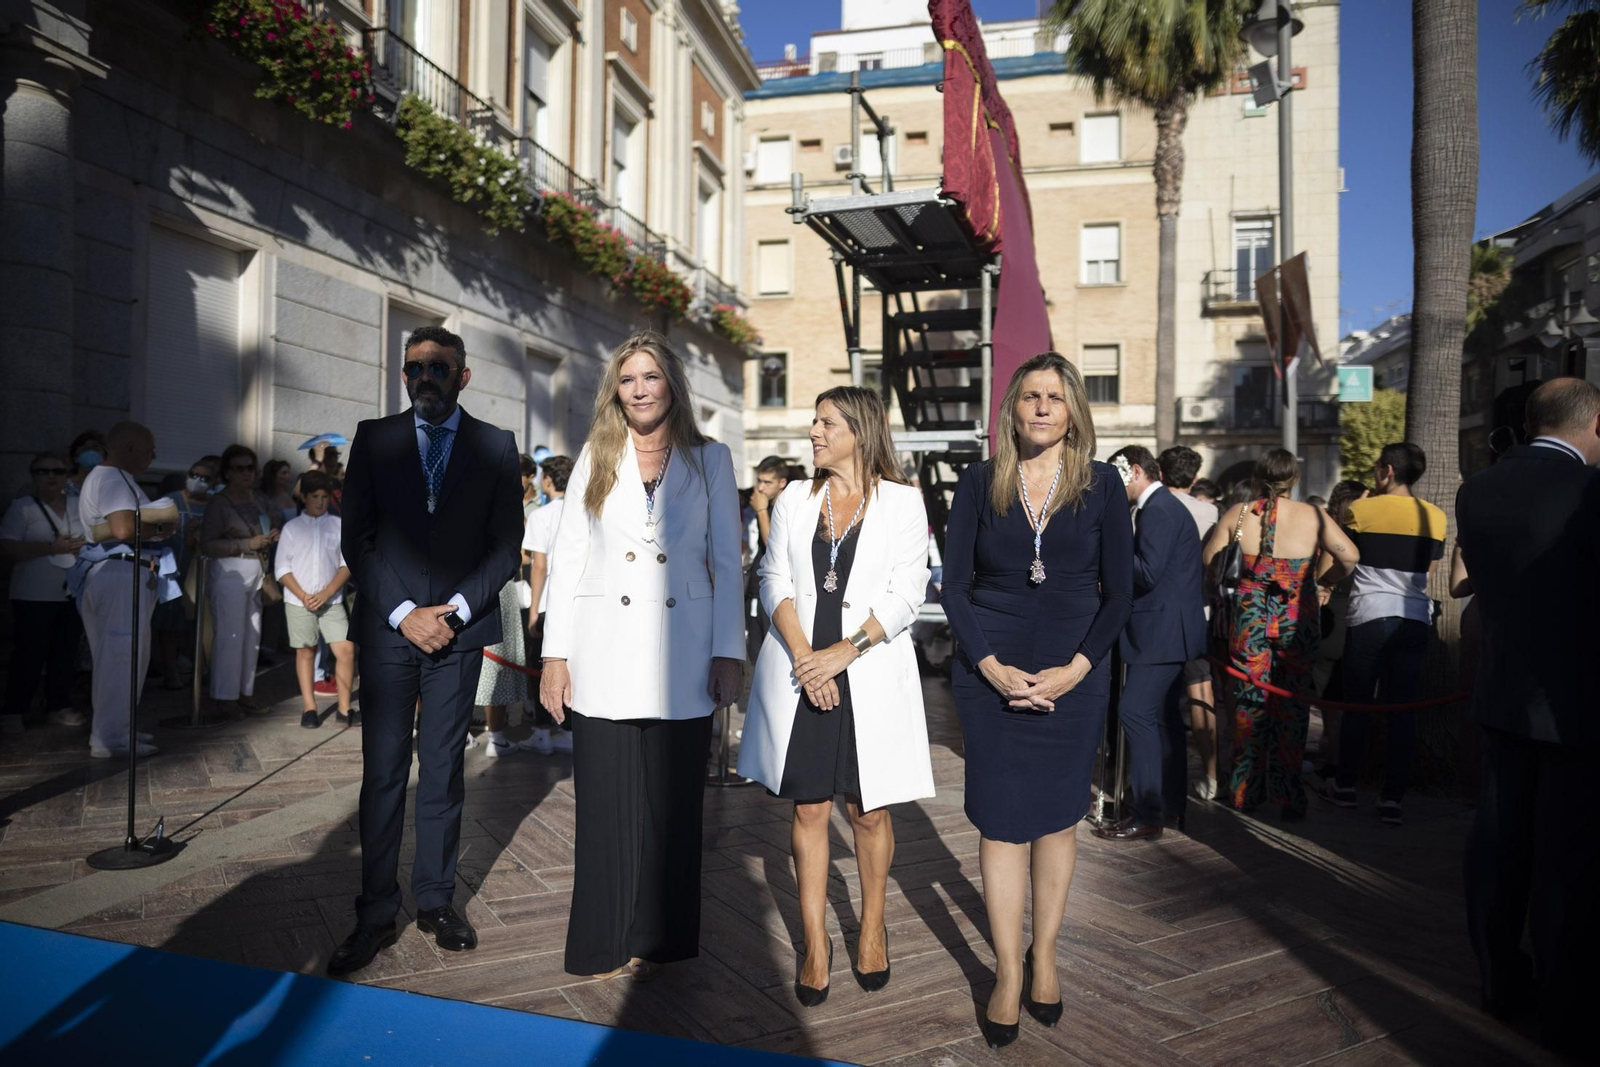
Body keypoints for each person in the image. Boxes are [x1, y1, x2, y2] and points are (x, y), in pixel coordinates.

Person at [939, 353, 1132, 1048]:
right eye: (1030, 396)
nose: (1043, 407)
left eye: (1055, 396)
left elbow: (1119, 592)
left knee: (1055, 819)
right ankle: (1007, 973)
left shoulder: (1104, 485)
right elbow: (953, 587)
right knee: (999, 822)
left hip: (1074, 677)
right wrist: (989, 666)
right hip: (991, 673)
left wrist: (1077, 669)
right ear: (1012, 409)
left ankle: (1043, 953)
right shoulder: (977, 482)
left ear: (1074, 410)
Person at [540, 330, 744, 981]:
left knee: (675, 807)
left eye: (651, 377)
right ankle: (601, 939)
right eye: (628, 379)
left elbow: (726, 564)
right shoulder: (593, 456)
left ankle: (664, 938)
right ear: (615, 391)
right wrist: (554, 655)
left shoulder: (710, 459)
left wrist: (728, 651)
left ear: (670, 385)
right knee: (605, 804)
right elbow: (569, 558)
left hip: (684, 653)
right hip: (602, 653)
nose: (640, 388)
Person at [329, 324, 521, 977]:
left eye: (440, 367)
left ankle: (436, 900)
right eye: (415, 368)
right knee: (382, 772)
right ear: (404, 375)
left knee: (442, 768)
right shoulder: (373, 439)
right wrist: (407, 614)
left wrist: (459, 609)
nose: (426, 377)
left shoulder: (496, 446)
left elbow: (505, 546)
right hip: (389, 631)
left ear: (462, 375)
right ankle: (375, 911)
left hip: (460, 632)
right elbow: (358, 539)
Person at [739, 387, 934, 1008]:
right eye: (814, 420)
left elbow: (909, 590)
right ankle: (815, 941)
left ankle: (872, 925)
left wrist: (844, 652)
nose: (814, 431)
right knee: (809, 810)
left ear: (860, 429)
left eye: (826, 422)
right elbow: (772, 576)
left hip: (865, 666)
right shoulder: (796, 497)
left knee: (870, 812)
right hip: (802, 671)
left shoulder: (903, 502)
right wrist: (806, 657)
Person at [1456, 378, 1600, 1053]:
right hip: (1576, 705)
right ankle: (1564, 1004)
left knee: (1497, 844)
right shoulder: (1588, 492)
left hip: (1500, 695)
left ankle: (1499, 980)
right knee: (1563, 861)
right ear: (1593, 424)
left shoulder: (1478, 489)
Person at [1203, 450, 1358, 819]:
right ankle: (1288, 795)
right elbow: (1349, 556)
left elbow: (1210, 561)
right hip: (1296, 618)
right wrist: (1321, 582)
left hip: (1250, 618)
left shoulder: (1238, 514)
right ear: (1294, 479)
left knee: (1248, 702)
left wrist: (1242, 581)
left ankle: (1245, 792)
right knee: (1292, 705)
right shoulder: (1314, 515)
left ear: (1259, 478)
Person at [1330, 443, 1446, 826]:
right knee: (1402, 709)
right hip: (1414, 617)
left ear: (1389, 471)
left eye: (1378, 466)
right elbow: (1427, 570)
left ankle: (1346, 786)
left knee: (1358, 705)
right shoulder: (1436, 517)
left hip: (1370, 614)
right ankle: (1392, 798)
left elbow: (1343, 558)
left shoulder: (1360, 511)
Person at [1096, 445, 1207, 840]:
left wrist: (1113, 544)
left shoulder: (1157, 509)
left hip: (1160, 632)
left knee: (1135, 713)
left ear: (1137, 471)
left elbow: (1147, 572)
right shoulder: (1164, 507)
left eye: (1117, 477)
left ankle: (1146, 812)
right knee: (1162, 721)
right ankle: (1169, 805)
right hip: (1167, 631)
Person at [73, 422, 177, 759]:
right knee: (120, 655)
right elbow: (123, 528)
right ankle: (108, 738)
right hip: (119, 572)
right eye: (150, 449)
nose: (154, 456)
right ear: (130, 448)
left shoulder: (115, 478)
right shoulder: (111, 477)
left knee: (126, 656)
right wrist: (163, 525)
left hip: (123, 572)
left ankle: (117, 730)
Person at [0, 453, 87, 732]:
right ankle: (15, 709)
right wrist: (51, 548)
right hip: (32, 594)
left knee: (65, 652)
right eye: (43, 471)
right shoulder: (23, 507)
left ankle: (57, 705)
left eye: (58, 471)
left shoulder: (78, 505)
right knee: (29, 652)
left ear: (66, 475)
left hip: (71, 592)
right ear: (33, 475)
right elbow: (8, 547)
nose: (51, 476)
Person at [1158, 444, 1221, 800]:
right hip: (1199, 611)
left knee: (1155, 700)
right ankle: (1211, 776)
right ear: (1195, 477)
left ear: (1161, 473)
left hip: (1157, 617)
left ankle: (1152, 778)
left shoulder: (1148, 509)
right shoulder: (1211, 512)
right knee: (1201, 692)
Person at [199, 444, 277, 718]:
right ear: (227, 473)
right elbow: (207, 544)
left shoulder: (258, 499)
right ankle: (225, 698)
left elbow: (270, 521)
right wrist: (248, 542)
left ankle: (245, 693)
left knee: (252, 637)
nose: (246, 473)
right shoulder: (219, 503)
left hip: (257, 568)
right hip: (230, 571)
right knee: (230, 637)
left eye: (250, 467)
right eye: (239, 468)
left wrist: (269, 536)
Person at [275, 471, 356, 728]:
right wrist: (304, 596)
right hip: (299, 601)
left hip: (331, 601)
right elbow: (281, 569)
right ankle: (309, 707)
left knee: (345, 649)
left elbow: (346, 564)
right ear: (304, 497)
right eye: (315, 497)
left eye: (324, 497)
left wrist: (326, 593)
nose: (320, 502)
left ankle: (344, 708)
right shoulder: (292, 528)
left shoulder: (338, 524)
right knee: (306, 651)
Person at [1308, 478, 1368, 779]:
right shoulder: (1368, 535)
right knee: (1345, 699)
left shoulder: (1335, 535)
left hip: (1331, 620)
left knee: (1329, 701)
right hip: (1358, 619)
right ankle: (1342, 762)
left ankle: (1331, 764)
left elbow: (1321, 581)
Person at [473, 467, 534, 757]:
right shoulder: (510, 515)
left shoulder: (468, 511)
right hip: (500, 590)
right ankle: (496, 735)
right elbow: (519, 555)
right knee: (497, 664)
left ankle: (482, 731)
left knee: (479, 663)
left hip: (471, 591)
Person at [520, 454, 574, 755]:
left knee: (539, 667)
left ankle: (543, 730)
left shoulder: (542, 515)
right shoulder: (584, 510)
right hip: (579, 603)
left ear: (550, 480)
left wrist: (533, 609)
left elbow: (538, 565)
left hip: (550, 600)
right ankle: (570, 729)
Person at [150, 457, 217, 691]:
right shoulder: (171, 501)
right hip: (174, 569)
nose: (198, 481)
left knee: (199, 623)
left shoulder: (215, 504)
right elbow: (152, 530)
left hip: (204, 570)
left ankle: (202, 669)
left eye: (205, 478)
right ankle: (171, 672)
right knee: (170, 623)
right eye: (194, 474)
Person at [745, 454, 791, 660]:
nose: (761, 488)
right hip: (758, 587)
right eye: (759, 481)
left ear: (782, 483)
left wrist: (762, 511)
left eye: (767, 482)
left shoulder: (785, 507)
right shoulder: (766, 504)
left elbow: (773, 546)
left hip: (775, 590)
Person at [66, 430, 106, 499]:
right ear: (75, 457)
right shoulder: (66, 487)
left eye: (96, 449)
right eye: (86, 449)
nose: (91, 453)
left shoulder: (112, 484)